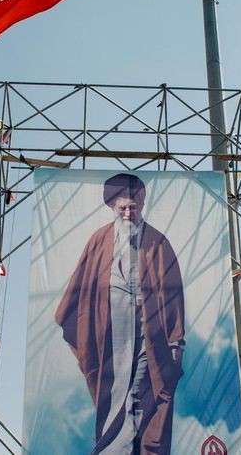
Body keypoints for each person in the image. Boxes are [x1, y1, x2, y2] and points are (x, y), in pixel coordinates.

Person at [55, 173, 185, 455]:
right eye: (122, 208)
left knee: (138, 395)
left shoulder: (158, 243)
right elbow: (79, 293)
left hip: (147, 338)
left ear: (142, 204)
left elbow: (173, 297)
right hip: (109, 338)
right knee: (114, 399)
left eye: (133, 207)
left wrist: (175, 345)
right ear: (113, 207)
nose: (128, 213)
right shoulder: (99, 240)